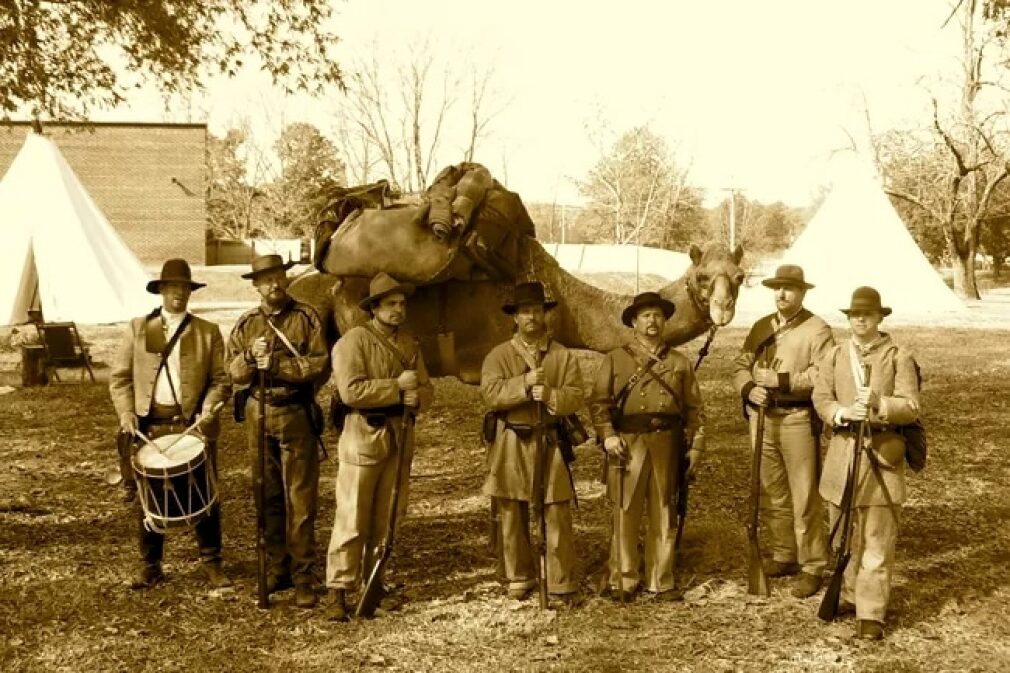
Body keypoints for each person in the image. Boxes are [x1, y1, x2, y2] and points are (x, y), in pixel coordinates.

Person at [109, 258, 232, 589]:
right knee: (149, 497)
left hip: (191, 424)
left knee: (205, 493)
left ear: (190, 292)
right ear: (161, 290)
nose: (179, 293)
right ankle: (151, 564)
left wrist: (209, 408)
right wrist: (126, 412)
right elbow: (120, 378)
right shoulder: (140, 328)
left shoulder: (207, 332)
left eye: (184, 287)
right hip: (150, 425)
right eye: (172, 287)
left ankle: (212, 562)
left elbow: (221, 380)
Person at [323, 272, 434, 621]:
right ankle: (338, 591)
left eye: (402, 304)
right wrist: (397, 388)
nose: (398, 310)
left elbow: (427, 389)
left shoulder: (410, 344)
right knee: (352, 516)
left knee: (387, 517)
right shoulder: (352, 342)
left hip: (400, 438)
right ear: (375, 308)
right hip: (363, 435)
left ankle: (374, 583)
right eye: (391, 304)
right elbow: (350, 391)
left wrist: (418, 398)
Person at [813, 287, 920, 641]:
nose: (859, 319)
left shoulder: (898, 356)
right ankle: (847, 595)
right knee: (844, 536)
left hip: (880, 459)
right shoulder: (834, 354)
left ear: (879, 318)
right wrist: (841, 413)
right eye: (854, 314)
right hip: (842, 456)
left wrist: (878, 404)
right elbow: (821, 397)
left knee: (876, 539)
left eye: (867, 314)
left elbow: (911, 406)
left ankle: (871, 612)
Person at [227, 254, 329, 608]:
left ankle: (303, 575)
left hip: (294, 412)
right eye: (265, 280)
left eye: (278, 278)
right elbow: (234, 373)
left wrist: (280, 366)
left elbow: (319, 363)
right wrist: (249, 360)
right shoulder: (245, 325)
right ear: (255, 285)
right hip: (258, 412)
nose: (274, 285)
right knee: (266, 494)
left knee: (300, 498)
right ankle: (277, 568)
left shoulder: (306, 318)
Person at [590, 292, 704, 601]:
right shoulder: (616, 359)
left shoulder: (679, 362)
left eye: (657, 315)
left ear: (665, 321)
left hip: (666, 444)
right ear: (633, 322)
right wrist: (608, 434)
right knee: (624, 511)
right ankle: (623, 578)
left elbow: (694, 410)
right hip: (628, 443)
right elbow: (599, 403)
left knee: (664, 512)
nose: (651, 321)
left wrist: (695, 447)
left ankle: (660, 579)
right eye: (645, 316)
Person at [731, 264, 834, 598]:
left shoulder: (818, 329)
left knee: (804, 496)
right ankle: (784, 554)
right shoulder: (762, 326)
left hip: (797, 419)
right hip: (761, 417)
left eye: (789, 288)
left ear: (802, 293)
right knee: (773, 492)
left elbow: (823, 374)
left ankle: (813, 565)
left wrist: (782, 381)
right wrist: (749, 389)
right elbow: (738, 366)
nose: (782, 294)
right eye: (777, 288)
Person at [480, 281, 585, 606]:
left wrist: (552, 396)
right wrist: (523, 385)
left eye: (537, 311)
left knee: (556, 509)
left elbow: (577, 395)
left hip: (549, 441)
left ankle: (560, 580)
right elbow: (490, 394)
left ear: (545, 315)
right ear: (515, 317)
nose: (531, 317)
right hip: (512, 438)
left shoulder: (561, 355)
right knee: (512, 509)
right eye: (525, 312)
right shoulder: (498, 356)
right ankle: (519, 575)